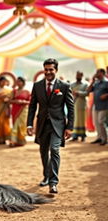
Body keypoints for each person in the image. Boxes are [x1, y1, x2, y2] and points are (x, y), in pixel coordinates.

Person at [27, 58, 74, 194]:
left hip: (57, 125)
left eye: (51, 69)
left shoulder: (64, 86)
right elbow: (32, 106)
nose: (48, 72)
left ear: (56, 70)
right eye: (46, 69)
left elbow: (71, 107)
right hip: (42, 124)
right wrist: (30, 124)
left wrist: (69, 127)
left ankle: (53, 182)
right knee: (43, 152)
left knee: (54, 150)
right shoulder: (37, 85)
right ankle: (46, 176)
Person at [87, 69, 108, 146]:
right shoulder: (96, 83)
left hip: (104, 106)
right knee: (96, 123)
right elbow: (88, 91)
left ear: (102, 73)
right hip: (96, 106)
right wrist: (92, 81)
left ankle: (104, 139)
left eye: (97, 72)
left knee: (101, 122)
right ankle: (99, 138)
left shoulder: (106, 82)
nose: (96, 74)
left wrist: (106, 95)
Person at [9, 77, 31, 147]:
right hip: (15, 109)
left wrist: (23, 102)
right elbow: (9, 100)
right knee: (15, 125)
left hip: (23, 110)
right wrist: (16, 101)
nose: (18, 83)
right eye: (17, 81)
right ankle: (13, 141)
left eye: (19, 81)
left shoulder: (27, 92)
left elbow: (30, 101)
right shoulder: (14, 91)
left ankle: (21, 140)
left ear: (23, 83)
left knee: (22, 125)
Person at [70, 71, 89, 142]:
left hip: (82, 104)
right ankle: (75, 136)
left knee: (82, 120)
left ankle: (82, 136)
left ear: (82, 75)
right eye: (77, 75)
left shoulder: (86, 84)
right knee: (75, 120)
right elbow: (69, 92)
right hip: (74, 104)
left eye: (79, 75)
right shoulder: (72, 84)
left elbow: (87, 93)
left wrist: (78, 93)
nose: (77, 76)